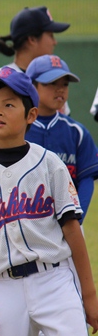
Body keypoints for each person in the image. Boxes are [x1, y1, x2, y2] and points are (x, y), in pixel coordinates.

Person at [0, 67, 98, 336]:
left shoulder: (50, 164)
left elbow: (72, 230)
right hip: (5, 286)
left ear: (31, 114)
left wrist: (89, 296)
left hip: (53, 278)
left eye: (9, 104)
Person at [25, 55, 98, 220]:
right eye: (51, 83)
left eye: (65, 84)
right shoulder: (18, 129)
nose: (60, 89)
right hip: (25, 221)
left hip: (69, 221)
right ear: (31, 86)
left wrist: (76, 219)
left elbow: (86, 179)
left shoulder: (77, 132)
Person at [0, 6, 70, 114]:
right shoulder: (3, 78)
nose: (54, 42)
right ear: (32, 39)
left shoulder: (55, 79)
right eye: (50, 35)